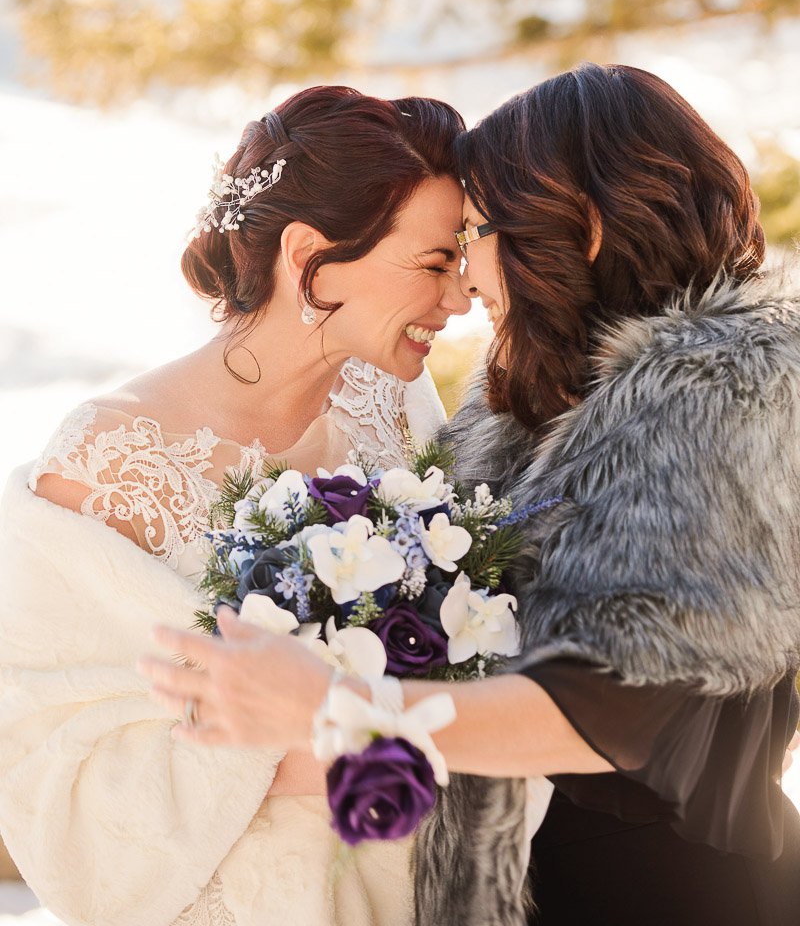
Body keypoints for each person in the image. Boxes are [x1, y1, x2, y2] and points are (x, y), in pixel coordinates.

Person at [141, 64, 800, 926]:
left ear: (586, 223)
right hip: (505, 882)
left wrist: (336, 706)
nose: (466, 280)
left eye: (481, 230)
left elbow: (619, 707)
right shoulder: (523, 392)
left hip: (665, 885)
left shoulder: (725, 392)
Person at [0, 85, 471, 926]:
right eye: (435, 263)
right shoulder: (104, 460)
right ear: (309, 255)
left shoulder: (391, 399)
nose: (460, 298)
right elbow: (48, 760)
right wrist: (320, 745)